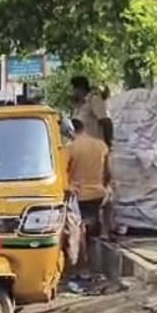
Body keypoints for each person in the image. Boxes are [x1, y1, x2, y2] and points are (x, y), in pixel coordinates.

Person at [66, 118, 111, 280]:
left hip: (79, 195)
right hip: (99, 194)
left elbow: (63, 173)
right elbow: (108, 172)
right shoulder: (101, 145)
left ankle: (83, 268)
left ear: (71, 130)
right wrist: (104, 187)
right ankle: (97, 268)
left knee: (79, 229)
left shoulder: (70, 148)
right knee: (93, 230)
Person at [71, 76, 112, 146]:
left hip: (95, 148)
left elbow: (106, 122)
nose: (72, 92)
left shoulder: (94, 100)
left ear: (79, 89)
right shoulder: (78, 106)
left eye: (73, 90)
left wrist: (107, 144)